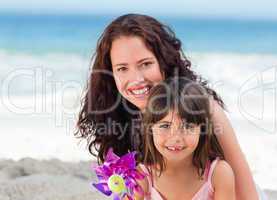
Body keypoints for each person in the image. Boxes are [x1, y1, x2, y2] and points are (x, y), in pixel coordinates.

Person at [75, 14, 258, 199]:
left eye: (145, 64)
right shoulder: (116, 116)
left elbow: (246, 192)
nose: (137, 79)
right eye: (122, 68)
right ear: (111, 74)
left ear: (164, 61)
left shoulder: (202, 108)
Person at [135, 77, 235, 200]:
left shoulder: (219, 174)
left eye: (187, 126)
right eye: (165, 126)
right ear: (150, 129)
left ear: (202, 130)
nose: (176, 137)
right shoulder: (142, 176)